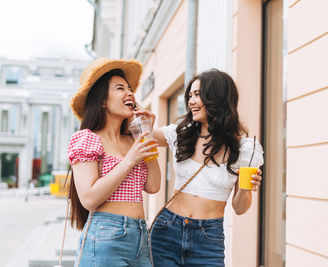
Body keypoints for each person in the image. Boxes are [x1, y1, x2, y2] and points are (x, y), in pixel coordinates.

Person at [137, 69, 264, 266]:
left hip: (208, 238)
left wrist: (247, 189)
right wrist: (135, 110)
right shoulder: (182, 135)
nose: (191, 101)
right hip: (167, 230)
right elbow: (141, 135)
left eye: (197, 95)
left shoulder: (246, 150)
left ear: (216, 98)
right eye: (190, 95)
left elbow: (239, 208)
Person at [67, 58, 160, 267]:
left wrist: (147, 134)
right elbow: (89, 199)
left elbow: (153, 186)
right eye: (120, 88)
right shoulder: (87, 139)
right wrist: (129, 161)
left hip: (141, 236)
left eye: (130, 89)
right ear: (102, 101)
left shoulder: (133, 140)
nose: (130, 93)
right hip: (106, 236)